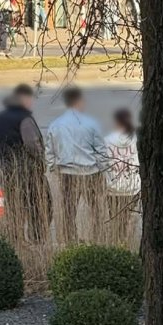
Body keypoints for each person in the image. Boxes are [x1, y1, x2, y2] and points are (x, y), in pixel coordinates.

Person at [0, 84, 51, 244]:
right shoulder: (24, 119)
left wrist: (4, 151)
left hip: (6, 172)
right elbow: (33, 144)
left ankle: (15, 238)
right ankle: (37, 238)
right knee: (40, 205)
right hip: (28, 172)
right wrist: (41, 162)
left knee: (14, 206)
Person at [45, 86, 108, 244]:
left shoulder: (56, 124)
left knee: (68, 212)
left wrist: (54, 168)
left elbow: (49, 151)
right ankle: (97, 241)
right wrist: (103, 169)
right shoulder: (91, 123)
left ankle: (70, 243)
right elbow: (100, 150)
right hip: (91, 172)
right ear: (79, 102)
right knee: (96, 211)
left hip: (67, 174)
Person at [104, 108, 141, 244]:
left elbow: (101, 163)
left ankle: (117, 244)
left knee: (116, 221)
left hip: (113, 189)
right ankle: (126, 243)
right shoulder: (137, 140)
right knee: (129, 220)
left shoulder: (107, 141)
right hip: (132, 187)